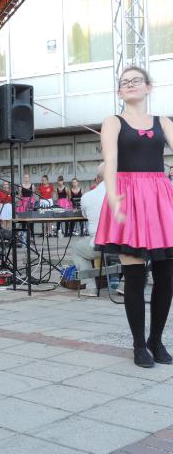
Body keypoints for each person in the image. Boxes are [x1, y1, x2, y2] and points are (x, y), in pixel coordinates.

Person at [96, 66, 173, 368]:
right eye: (124, 82)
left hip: (159, 200)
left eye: (135, 80)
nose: (129, 84)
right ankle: (139, 345)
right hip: (127, 197)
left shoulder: (163, 122)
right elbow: (110, 160)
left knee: (166, 276)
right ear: (119, 91)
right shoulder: (112, 122)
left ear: (148, 87)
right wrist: (113, 195)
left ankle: (156, 340)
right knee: (135, 276)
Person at [72, 164, 106, 294]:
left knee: (76, 248)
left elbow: (85, 215)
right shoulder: (124, 192)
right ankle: (124, 284)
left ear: (97, 179)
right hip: (124, 247)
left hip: (99, 245)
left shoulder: (87, 196)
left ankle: (90, 287)